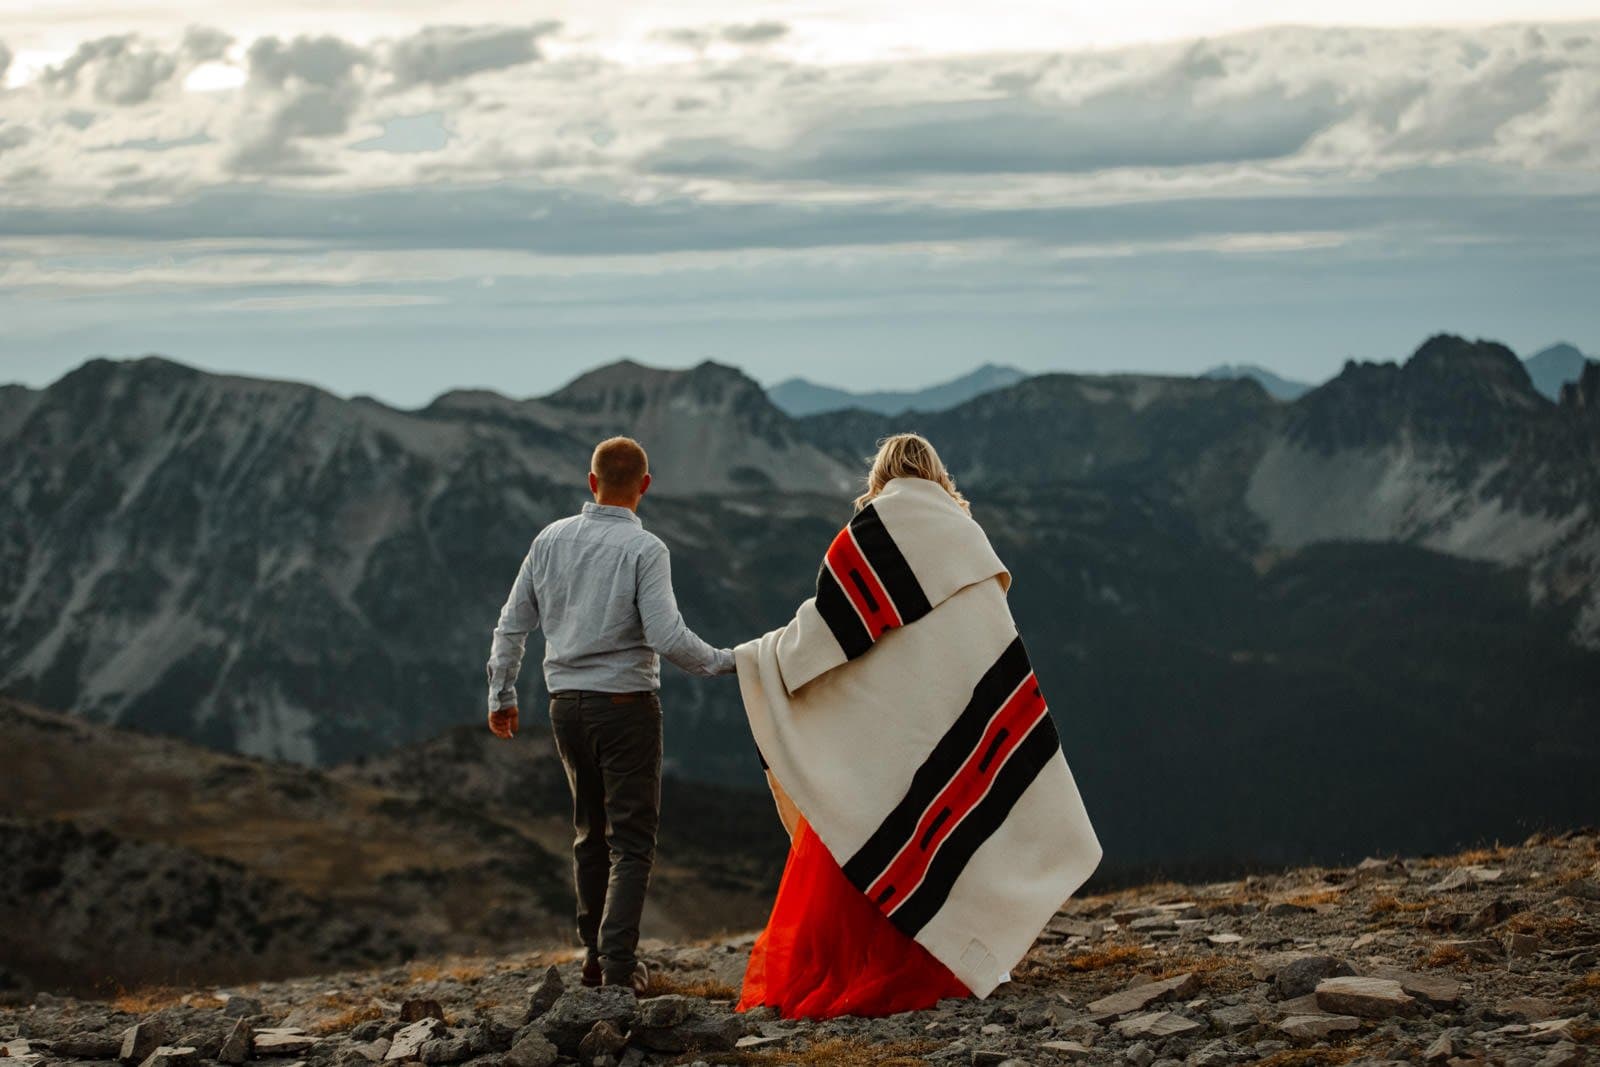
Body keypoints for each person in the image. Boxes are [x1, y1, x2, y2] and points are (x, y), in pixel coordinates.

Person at [734, 433, 1102, 1019]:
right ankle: (951, 958)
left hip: (889, 737)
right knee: (946, 831)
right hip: (955, 722)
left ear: (879, 476)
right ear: (937, 473)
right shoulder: (967, 536)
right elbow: (985, 647)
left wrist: (758, 656)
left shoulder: (866, 537)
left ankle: (864, 968)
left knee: (882, 832)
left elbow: (825, 637)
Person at [485, 435, 735, 993]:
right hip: (625, 708)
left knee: (589, 833)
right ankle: (620, 966)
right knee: (632, 841)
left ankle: (595, 957)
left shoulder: (548, 540)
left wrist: (502, 694)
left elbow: (511, 624)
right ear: (645, 486)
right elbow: (668, 636)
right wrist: (728, 663)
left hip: (563, 707)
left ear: (590, 481)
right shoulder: (646, 550)